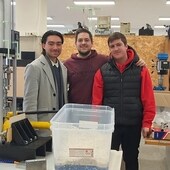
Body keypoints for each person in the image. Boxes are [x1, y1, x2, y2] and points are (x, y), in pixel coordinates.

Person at [92, 32, 156, 170]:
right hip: (110, 126)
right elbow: (96, 102)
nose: (116, 49)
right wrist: (98, 124)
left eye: (119, 44)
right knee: (107, 159)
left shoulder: (141, 69)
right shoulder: (102, 71)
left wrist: (147, 123)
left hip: (132, 124)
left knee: (131, 158)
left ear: (126, 46)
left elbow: (148, 99)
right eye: (112, 46)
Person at [64, 28, 146, 104]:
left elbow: (122, 59)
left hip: (98, 110)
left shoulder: (103, 60)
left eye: (86, 40)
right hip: (75, 109)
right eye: (80, 40)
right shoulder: (67, 65)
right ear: (75, 43)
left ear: (92, 43)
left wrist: (136, 60)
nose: (83, 43)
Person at [23, 30, 68, 135]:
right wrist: (32, 129)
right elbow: (30, 103)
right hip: (42, 127)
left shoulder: (63, 68)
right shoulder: (34, 67)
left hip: (60, 126)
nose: (55, 47)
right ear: (43, 45)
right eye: (51, 44)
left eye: (58, 44)